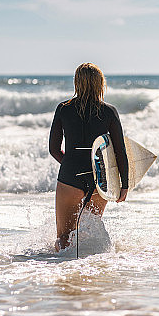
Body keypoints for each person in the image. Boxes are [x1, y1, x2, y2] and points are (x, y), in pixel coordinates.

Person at [49, 63, 128, 251]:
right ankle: (90, 267)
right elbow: (120, 151)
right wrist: (124, 185)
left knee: (63, 239)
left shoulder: (63, 109)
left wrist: (71, 165)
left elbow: (54, 149)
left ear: (76, 82)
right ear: (100, 83)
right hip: (99, 180)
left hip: (70, 177)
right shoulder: (109, 111)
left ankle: (64, 266)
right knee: (88, 235)